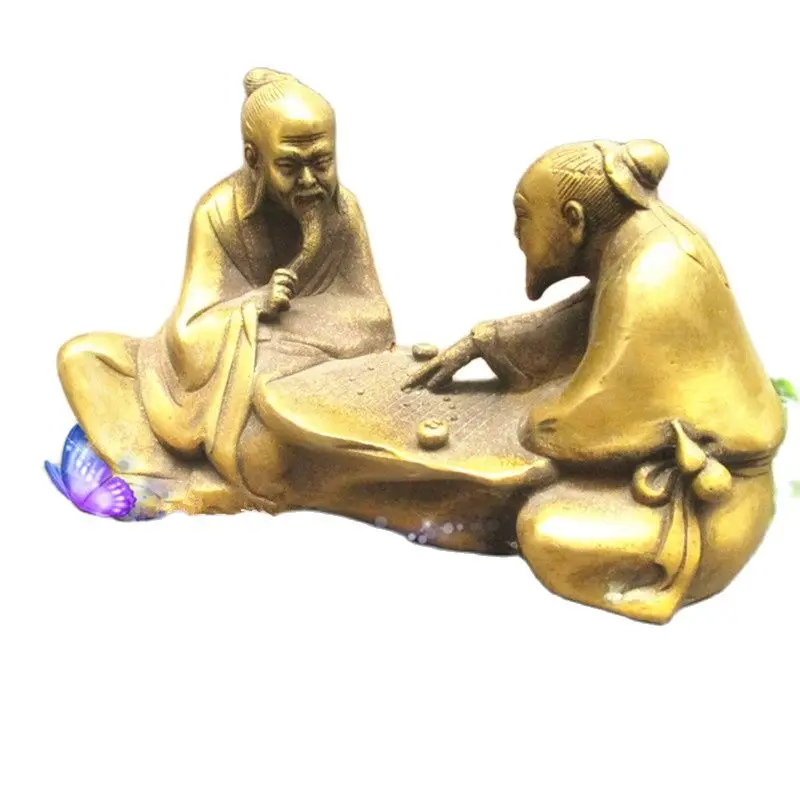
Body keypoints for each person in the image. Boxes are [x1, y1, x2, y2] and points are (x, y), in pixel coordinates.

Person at [407, 139, 785, 621]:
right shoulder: (639, 247)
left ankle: (655, 588)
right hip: (696, 489)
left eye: (523, 218)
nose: (516, 234)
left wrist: (537, 423)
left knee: (545, 530)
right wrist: (484, 342)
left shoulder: (656, 271)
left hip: (710, 511)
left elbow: (596, 424)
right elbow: (572, 326)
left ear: (574, 220)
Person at [57, 68, 395, 511]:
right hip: (208, 381)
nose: (310, 181)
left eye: (322, 162)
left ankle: (244, 476)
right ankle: (160, 477)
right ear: (254, 159)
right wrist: (253, 305)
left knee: (271, 435)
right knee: (82, 358)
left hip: (301, 372)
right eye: (289, 166)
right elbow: (188, 333)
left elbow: (375, 319)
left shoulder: (343, 212)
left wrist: (283, 330)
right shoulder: (217, 212)